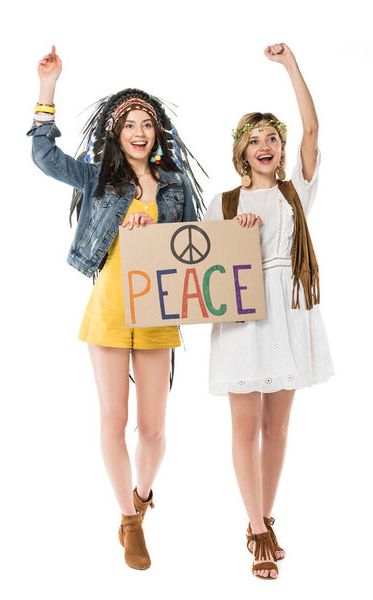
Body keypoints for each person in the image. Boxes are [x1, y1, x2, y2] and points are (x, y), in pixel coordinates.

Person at [27, 46, 203, 570]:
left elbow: (193, 244)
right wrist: (47, 88)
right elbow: (43, 157)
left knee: (151, 429)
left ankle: (143, 495)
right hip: (108, 306)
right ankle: (128, 521)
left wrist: (158, 230)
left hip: (156, 311)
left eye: (147, 122)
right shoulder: (96, 177)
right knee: (113, 419)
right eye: (129, 122)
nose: (139, 130)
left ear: (158, 132)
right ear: (114, 131)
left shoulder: (174, 184)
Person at [204, 43, 334, 579]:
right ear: (241, 151)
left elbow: (312, 128)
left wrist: (290, 65)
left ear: (281, 151)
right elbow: (206, 270)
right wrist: (235, 240)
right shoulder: (224, 204)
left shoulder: (295, 192)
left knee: (277, 428)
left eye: (272, 139)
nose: (265, 145)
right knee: (244, 425)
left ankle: (266, 518)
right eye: (254, 139)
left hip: (287, 308)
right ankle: (255, 528)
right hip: (241, 315)